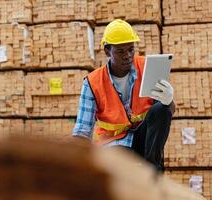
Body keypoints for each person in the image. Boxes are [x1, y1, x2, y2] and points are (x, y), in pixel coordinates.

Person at [73, 19, 175, 171]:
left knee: (161, 108)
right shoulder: (92, 83)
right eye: (120, 51)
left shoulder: (146, 67)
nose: (127, 56)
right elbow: (82, 129)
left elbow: (166, 113)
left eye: (130, 49)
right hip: (114, 143)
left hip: (144, 139)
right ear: (107, 51)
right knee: (122, 164)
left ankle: (154, 173)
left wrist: (169, 101)